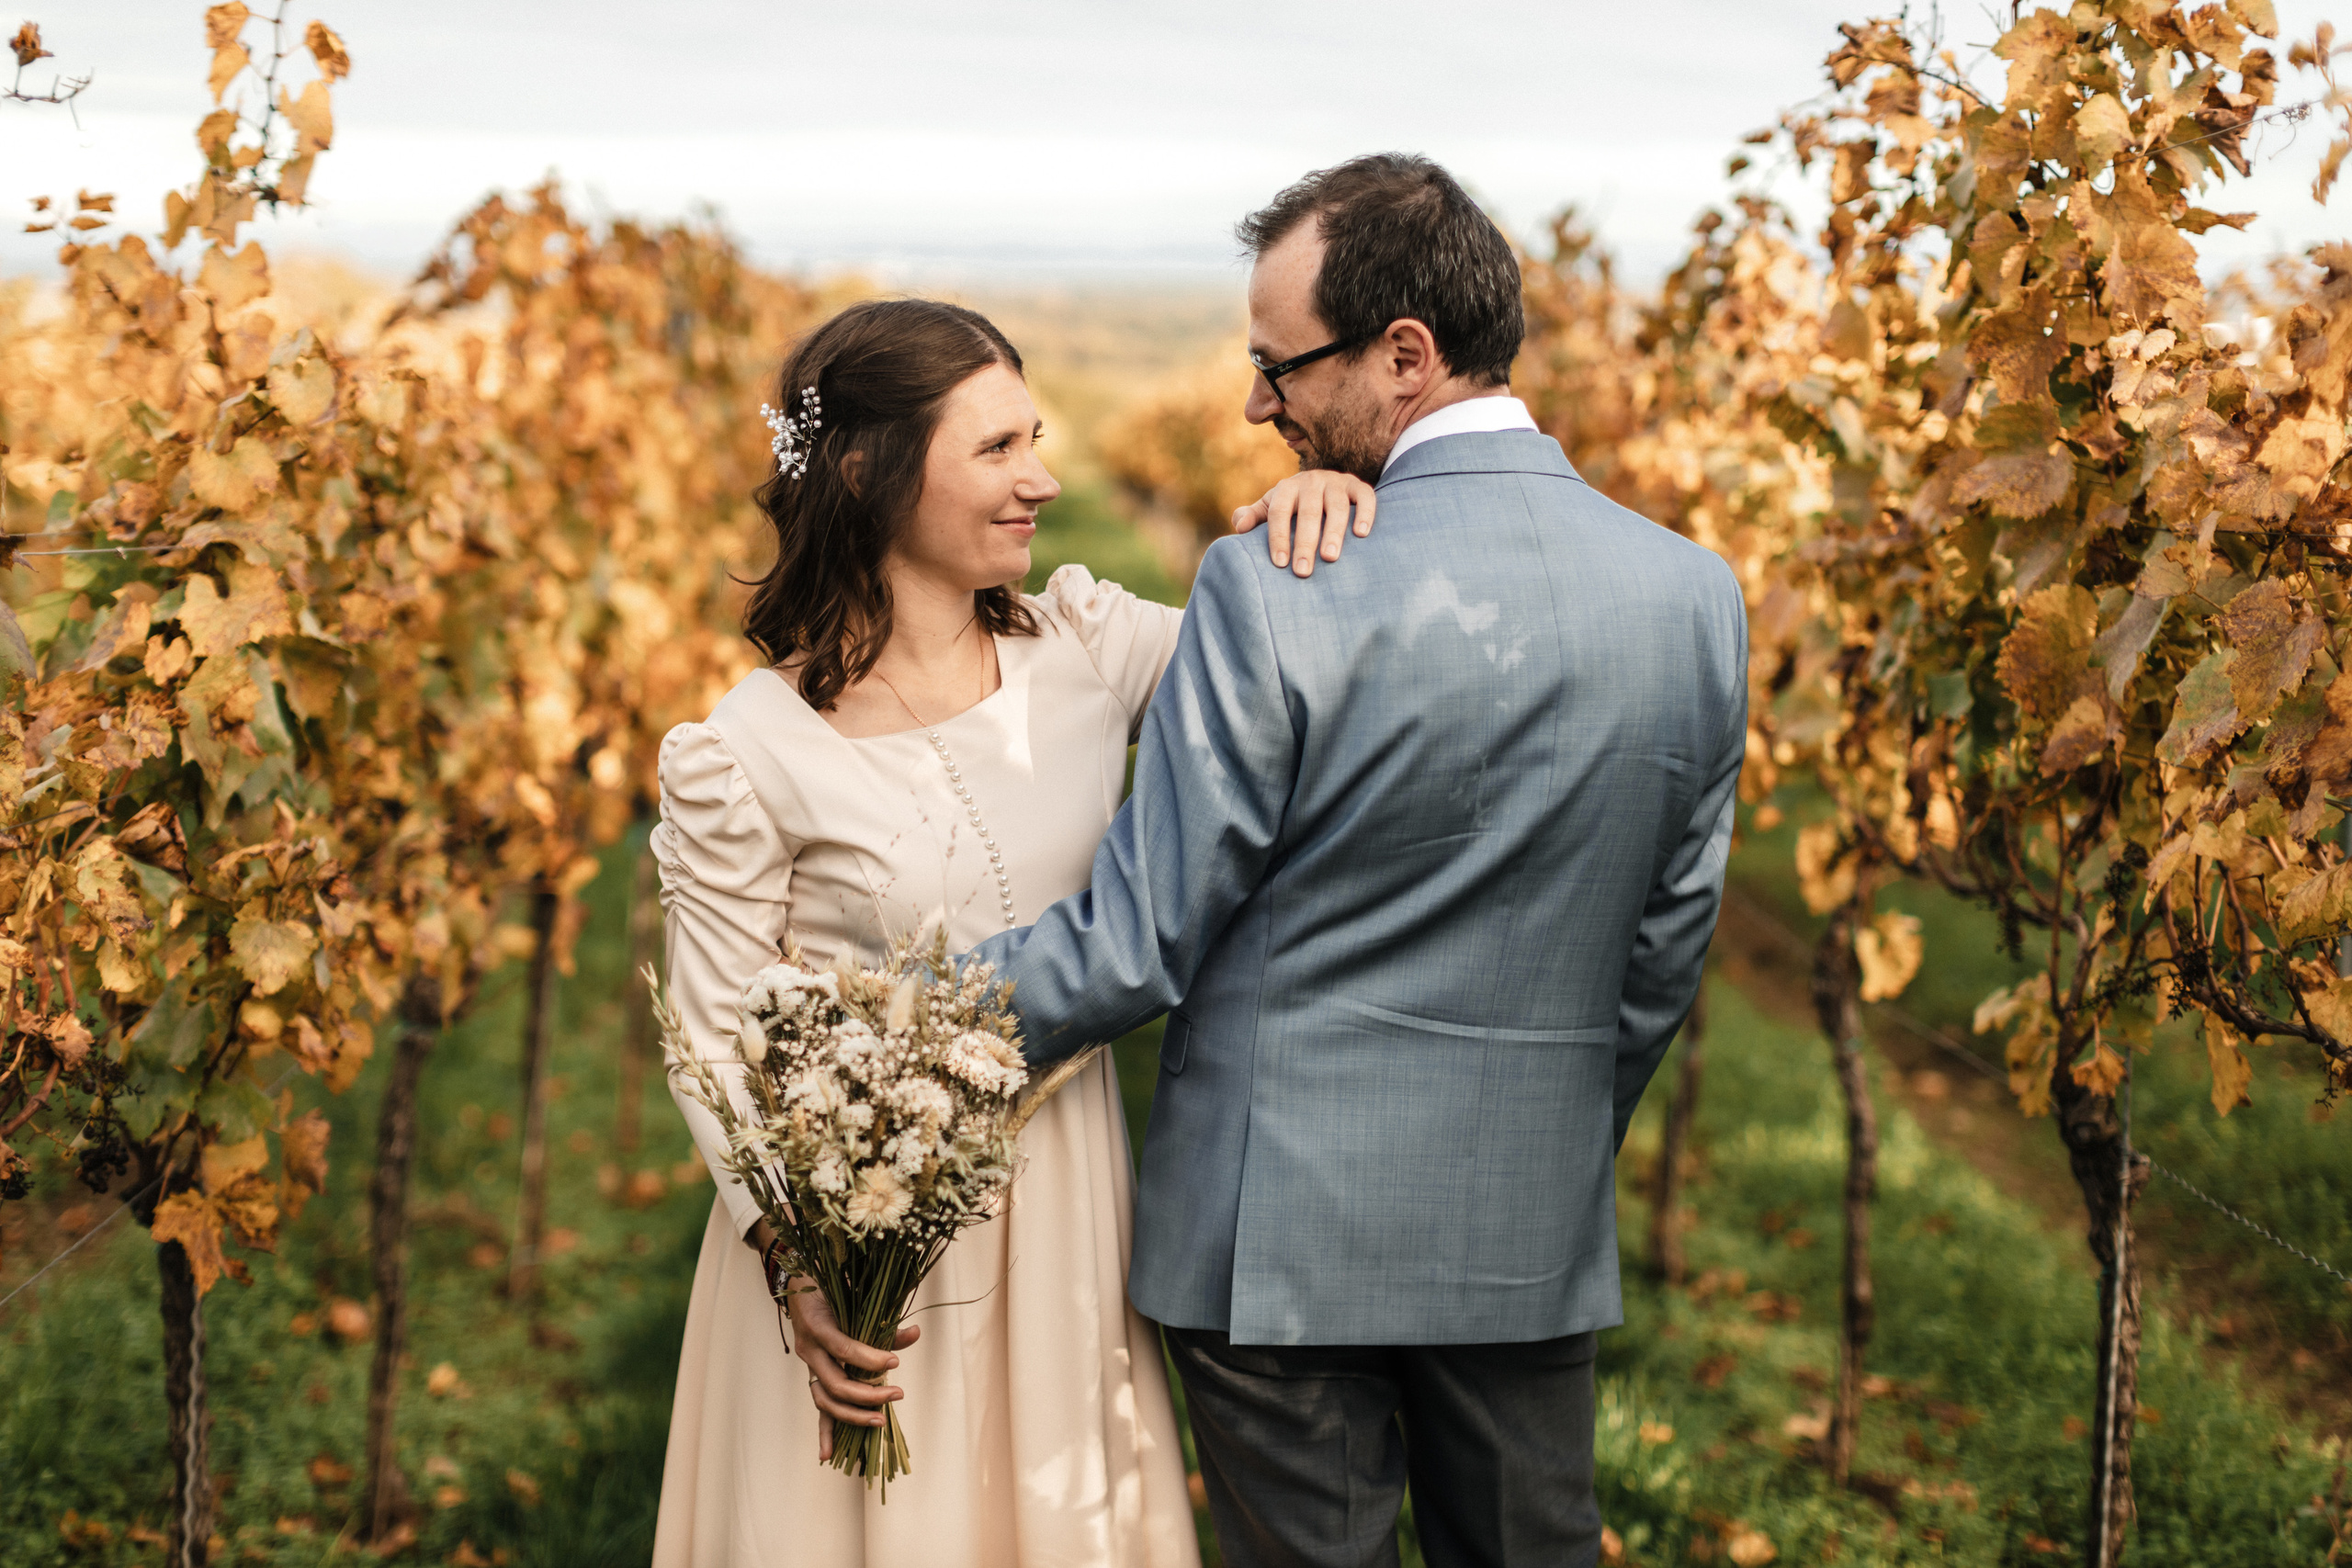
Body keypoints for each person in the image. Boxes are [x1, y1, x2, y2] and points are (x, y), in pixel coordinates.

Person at [968, 154, 1748, 1568]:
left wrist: (890, 1027)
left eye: (1279, 368)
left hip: (1274, 1245)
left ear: (1405, 354)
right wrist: (1543, 1145)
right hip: (1523, 1230)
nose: (1256, 406)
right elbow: (1663, 949)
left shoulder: (1271, 586)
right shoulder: (1696, 597)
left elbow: (1140, 939)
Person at [649, 297, 1377, 1568]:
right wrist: (802, 1263)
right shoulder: (747, 751)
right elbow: (712, 1039)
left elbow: (1297, 674)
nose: (1040, 479)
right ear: (866, 473)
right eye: (996, 449)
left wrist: (1311, 524)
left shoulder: (1087, 644)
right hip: (863, 1243)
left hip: (1072, 1215)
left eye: (1033, 440)